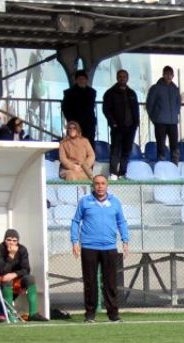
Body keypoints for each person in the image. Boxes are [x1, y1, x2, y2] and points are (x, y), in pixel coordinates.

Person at [70, 175, 129, 323]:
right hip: (89, 247)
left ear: (107, 185)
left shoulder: (115, 202)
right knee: (90, 283)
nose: (100, 186)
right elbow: (76, 221)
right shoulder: (85, 201)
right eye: (97, 183)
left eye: (103, 183)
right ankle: (90, 315)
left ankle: (113, 315)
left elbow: (121, 221)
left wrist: (125, 240)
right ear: (93, 185)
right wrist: (74, 241)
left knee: (110, 283)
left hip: (109, 247)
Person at [0, 228, 47, 321]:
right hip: (2, 279)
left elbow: (26, 269)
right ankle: (9, 314)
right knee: (7, 280)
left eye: (14, 241)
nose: (11, 243)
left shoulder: (22, 249)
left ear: (18, 241)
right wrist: (11, 255)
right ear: (4, 240)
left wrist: (15, 274)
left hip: (16, 278)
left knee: (30, 278)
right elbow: (1, 270)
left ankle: (33, 313)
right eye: (8, 240)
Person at [102, 69, 140, 180]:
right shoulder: (110, 93)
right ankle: (113, 173)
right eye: (120, 76)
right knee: (115, 150)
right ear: (117, 78)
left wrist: (136, 123)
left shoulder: (132, 93)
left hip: (130, 127)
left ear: (127, 78)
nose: (122, 78)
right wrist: (112, 123)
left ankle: (123, 173)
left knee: (126, 151)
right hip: (117, 127)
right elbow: (106, 110)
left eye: (124, 76)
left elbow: (136, 110)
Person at [146, 66, 181, 163]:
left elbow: (178, 104)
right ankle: (161, 164)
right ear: (163, 75)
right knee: (161, 144)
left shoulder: (175, 89)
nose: (169, 76)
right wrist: (154, 118)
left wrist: (175, 114)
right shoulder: (156, 88)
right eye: (167, 74)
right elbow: (149, 104)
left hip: (173, 122)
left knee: (174, 144)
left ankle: (175, 164)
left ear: (173, 75)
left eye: (170, 74)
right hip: (160, 122)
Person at [61, 70, 97, 147]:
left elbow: (91, 108)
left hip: (89, 123)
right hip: (75, 122)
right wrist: (71, 121)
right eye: (79, 79)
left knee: (89, 144)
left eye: (83, 79)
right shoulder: (69, 93)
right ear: (76, 80)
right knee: (75, 144)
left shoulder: (92, 92)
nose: (82, 81)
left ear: (86, 80)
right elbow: (65, 108)